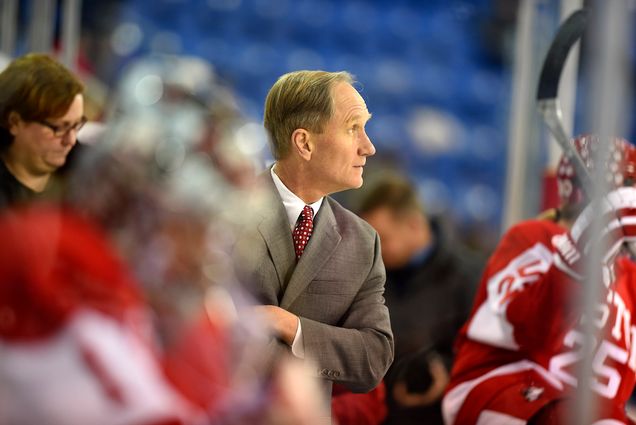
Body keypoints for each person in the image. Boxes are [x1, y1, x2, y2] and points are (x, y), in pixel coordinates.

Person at [0, 55, 328, 425]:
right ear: (151, 212)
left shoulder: (122, 292)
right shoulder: (50, 267)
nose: (206, 261)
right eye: (201, 231)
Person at [234, 70, 394, 424]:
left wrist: (289, 325)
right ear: (304, 143)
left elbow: (373, 357)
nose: (368, 146)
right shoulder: (225, 211)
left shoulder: (363, 242)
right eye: (354, 128)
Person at [442, 134, 636, 424]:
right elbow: (530, 331)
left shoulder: (630, 278)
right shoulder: (534, 238)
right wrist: (581, 257)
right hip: (503, 385)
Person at [355, 172, 484, 425]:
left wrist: (444, 371)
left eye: (382, 239)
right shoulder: (364, 275)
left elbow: (482, 355)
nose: (372, 250)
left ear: (414, 225)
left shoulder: (470, 277)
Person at [0, 53, 86, 208]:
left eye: (76, 125)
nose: (71, 140)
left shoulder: (87, 170)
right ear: (14, 122)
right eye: (59, 128)